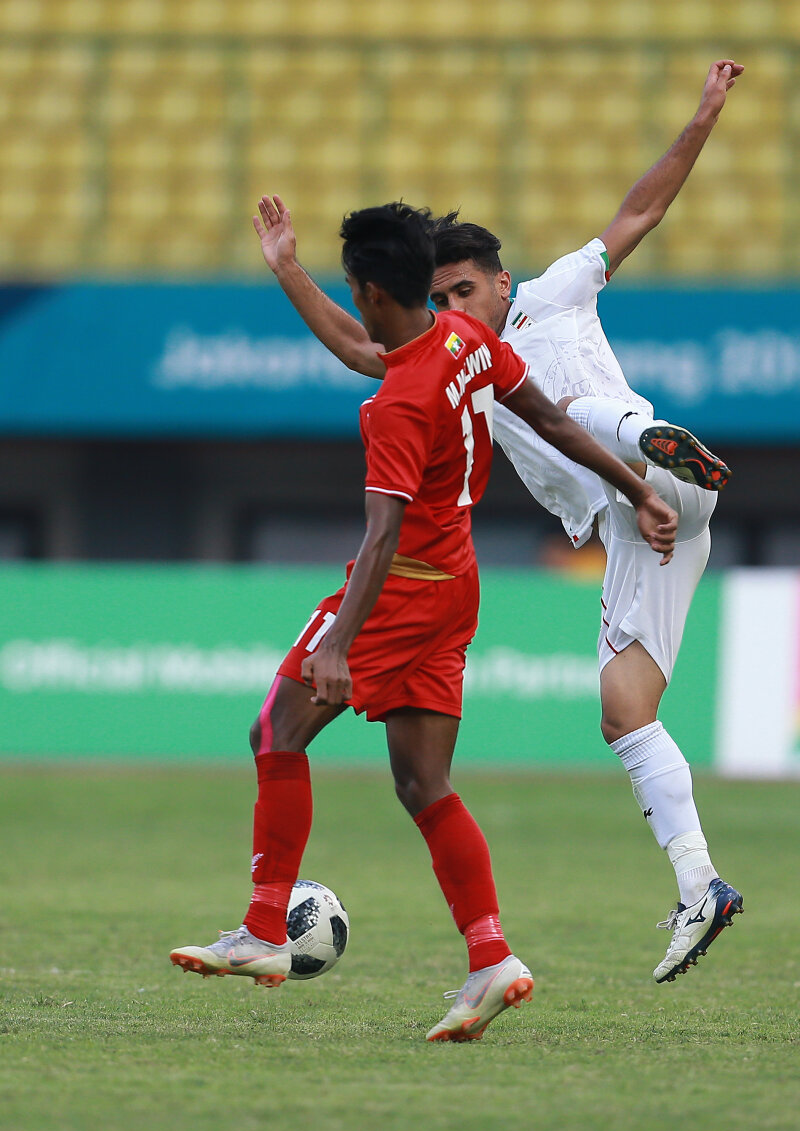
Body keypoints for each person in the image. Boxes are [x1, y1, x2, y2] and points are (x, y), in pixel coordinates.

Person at [250, 61, 745, 985]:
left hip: (644, 480)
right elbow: (363, 348)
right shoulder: (451, 355)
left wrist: (704, 115)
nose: (450, 310)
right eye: (438, 298)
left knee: (577, 413)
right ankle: (700, 885)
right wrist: (289, 271)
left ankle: (644, 434)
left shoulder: (553, 294)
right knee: (626, 715)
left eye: (464, 292)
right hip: (657, 522)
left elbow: (640, 211)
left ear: (502, 279)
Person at [171, 202, 677, 1042]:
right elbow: (548, 418)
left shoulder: (398, 406)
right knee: (423, 784)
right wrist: (640, 490)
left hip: (399, 589)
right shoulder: (464, 339)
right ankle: (492, 958)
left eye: (352, 290)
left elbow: (381, 535)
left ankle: (262, 929)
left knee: (275, 731)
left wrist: (339, 643)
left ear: (373, 291)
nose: (356, 305)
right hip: (455, 584)